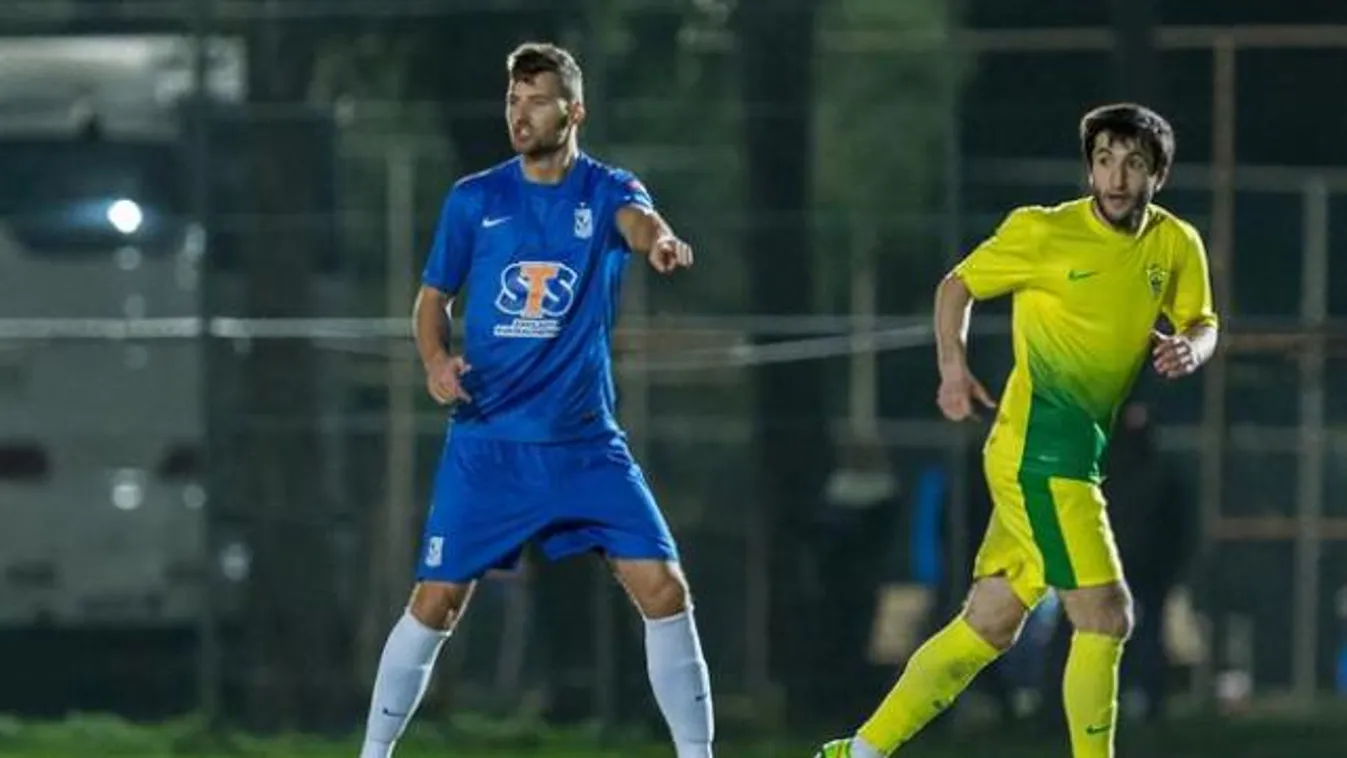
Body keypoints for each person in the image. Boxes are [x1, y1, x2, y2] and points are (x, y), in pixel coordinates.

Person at [814, 102, 1219, 758]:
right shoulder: (1041, 232)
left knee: (990, 623)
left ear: (1158, 175)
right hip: (1040, 454)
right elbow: (956, 287)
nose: (1116, 177)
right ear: (1089, 168)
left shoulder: (1175, 243)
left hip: (1074, 456)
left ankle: (856, 753)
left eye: (1133, 164)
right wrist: (952, 371)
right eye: (1104, 161)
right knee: (1107, 614)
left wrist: (1190, 348)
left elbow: (1202, 321)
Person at [357, 42, 713, 758]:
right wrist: (435, 362)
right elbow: (432, 300)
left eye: (537, 101)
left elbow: (640, 222)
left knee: (665, 590)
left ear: (574, 112)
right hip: (488, 444)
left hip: (584, 444)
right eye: (513, 100)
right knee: (436, 603)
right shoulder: (475, 199)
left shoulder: (605, 189)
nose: (520, 115)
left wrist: (662, 242)